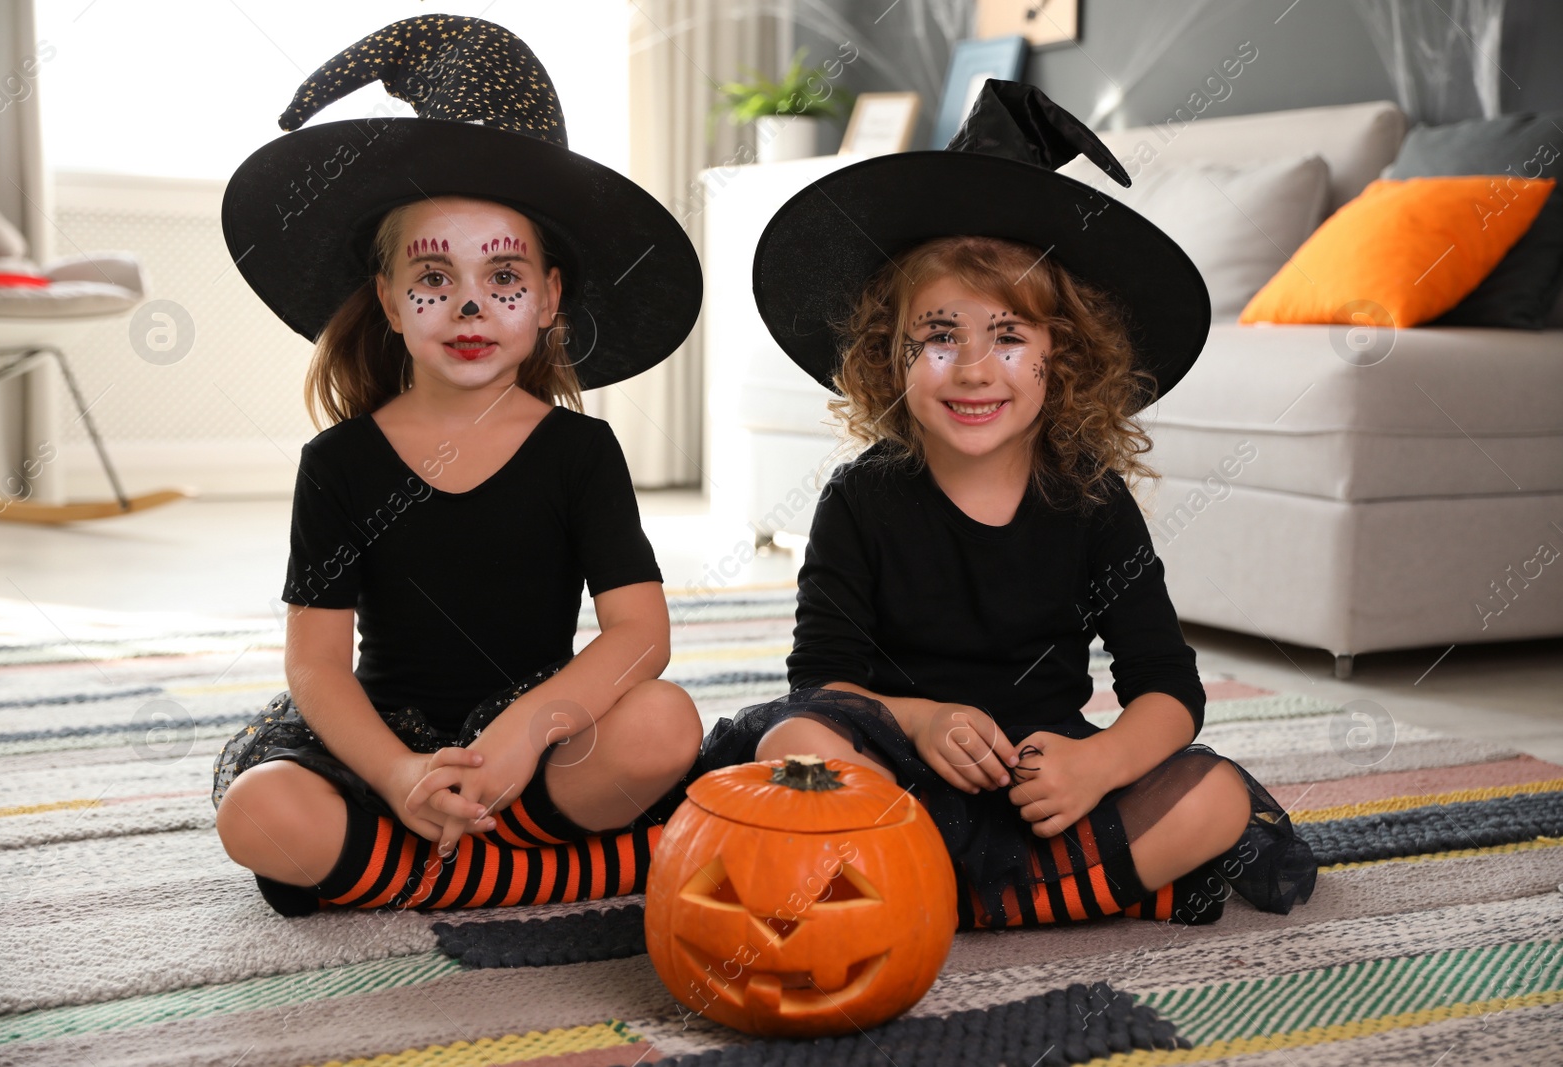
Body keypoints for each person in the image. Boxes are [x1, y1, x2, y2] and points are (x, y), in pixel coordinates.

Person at [699, 82, 1317, 929]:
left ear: (1063, 358)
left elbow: (1169, 689)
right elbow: (823, 683)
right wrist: (922, 721)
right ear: (892, 353)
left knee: (1214, 801)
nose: (973, 368)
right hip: (897, 775)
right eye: (940, 335)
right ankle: (1034, 892)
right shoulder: (861, 499)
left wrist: (1097, 765)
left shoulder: (1090, 500)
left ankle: (928, 897)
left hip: (1041, 789)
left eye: (1010, 336)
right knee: (794, 744)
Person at [211, 16, 705, 917]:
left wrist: (528, 731)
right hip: (390, 743)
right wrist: (398, 773)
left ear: (550, 299)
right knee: (259, 811)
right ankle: (531, 866)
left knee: (665, 722)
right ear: (392, 302)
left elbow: (640, 635)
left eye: (505, 276)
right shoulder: (338, 462)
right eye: (434, 278)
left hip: (537, 740)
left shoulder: (579, 451)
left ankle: (418, 868)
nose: (471, 302)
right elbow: (317, 665)